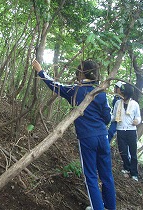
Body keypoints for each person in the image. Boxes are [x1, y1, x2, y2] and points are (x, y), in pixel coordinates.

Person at [32, 59, 116, 210]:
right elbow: (108, 118)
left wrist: (40, 71)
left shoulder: (75, 91)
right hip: (103, 137)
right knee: (107, 176)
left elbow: (54, 85)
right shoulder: (101, 93)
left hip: (87, 138)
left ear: (80, 73)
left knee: (90, 176)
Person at [111, 83, 141, 181]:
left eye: (122, 91)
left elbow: (138, 117)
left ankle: (134, 173)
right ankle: (126, 168)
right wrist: (105, 118)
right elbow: (114, 116)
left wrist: (137, 121)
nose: (120, 92)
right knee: (123, 151)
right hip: (120, 130)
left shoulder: (135, 104)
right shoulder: (117, 103)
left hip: (131, 131)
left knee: (133, 152)